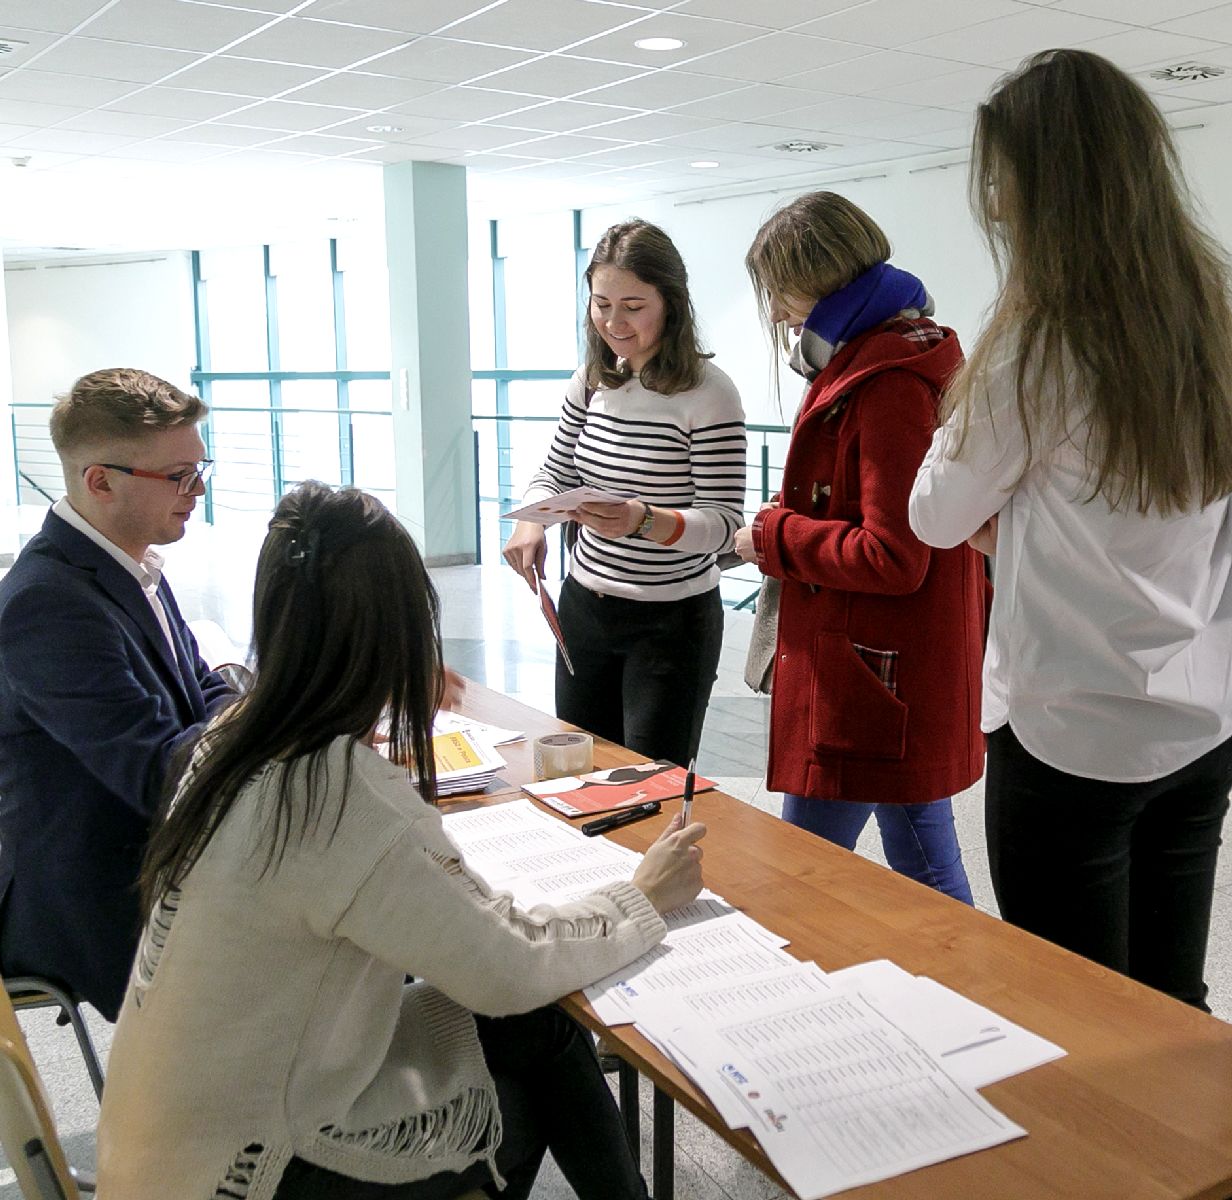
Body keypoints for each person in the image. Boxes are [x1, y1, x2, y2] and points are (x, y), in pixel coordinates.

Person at [98, 481, 708, 1199]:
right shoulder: (336, 797)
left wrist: (373, 690)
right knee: (534, 1045)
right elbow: (506, 965)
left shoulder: (234, 737)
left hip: (175, 1138)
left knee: (535, 1029)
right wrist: (639, 897)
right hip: (256, 1166)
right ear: (399, 629)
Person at [909, 49, 1232, 1008]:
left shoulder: (1037, 338)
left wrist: (1000, 501)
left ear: (1032, 185)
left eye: (998, 174)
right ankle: (1209, 1161)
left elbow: (936, 517)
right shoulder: (1203, 312)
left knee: (1076, 1017)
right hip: (1201, 710)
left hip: (1072, 727)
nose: (990, 197)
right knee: (1173, 998)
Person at [734, 191, 984, 903]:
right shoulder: (901, 356)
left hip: (867, 681)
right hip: (885, 674)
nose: (780, 313)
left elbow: (894, 554)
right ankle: (968, 994)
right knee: (928, 871)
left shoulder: (887, 386)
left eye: (780, 293)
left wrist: (777, 534)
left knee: (799, 882)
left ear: (819, 283)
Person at [0, 367, 239, 1021]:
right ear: (98, 480)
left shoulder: (133, 564)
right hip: (95, 895)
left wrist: (256, 710)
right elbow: (157, 771)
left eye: (200, 469)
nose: (197, 492)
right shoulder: (47, 604)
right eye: (178, 476)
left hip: (157, 851)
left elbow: (204, 691)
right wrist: (293, 707)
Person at [503, 220, 746, 765]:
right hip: (584, 607)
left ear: (672, 304)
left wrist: (642, 519)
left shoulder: (709, 394)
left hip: (671, 622)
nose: (614, 321)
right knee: (578, 773)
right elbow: (555, 470)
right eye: (601, 303)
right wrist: (532, 522)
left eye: (634, 306)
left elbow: (725, 526)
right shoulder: (591, 379)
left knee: (647, 789)